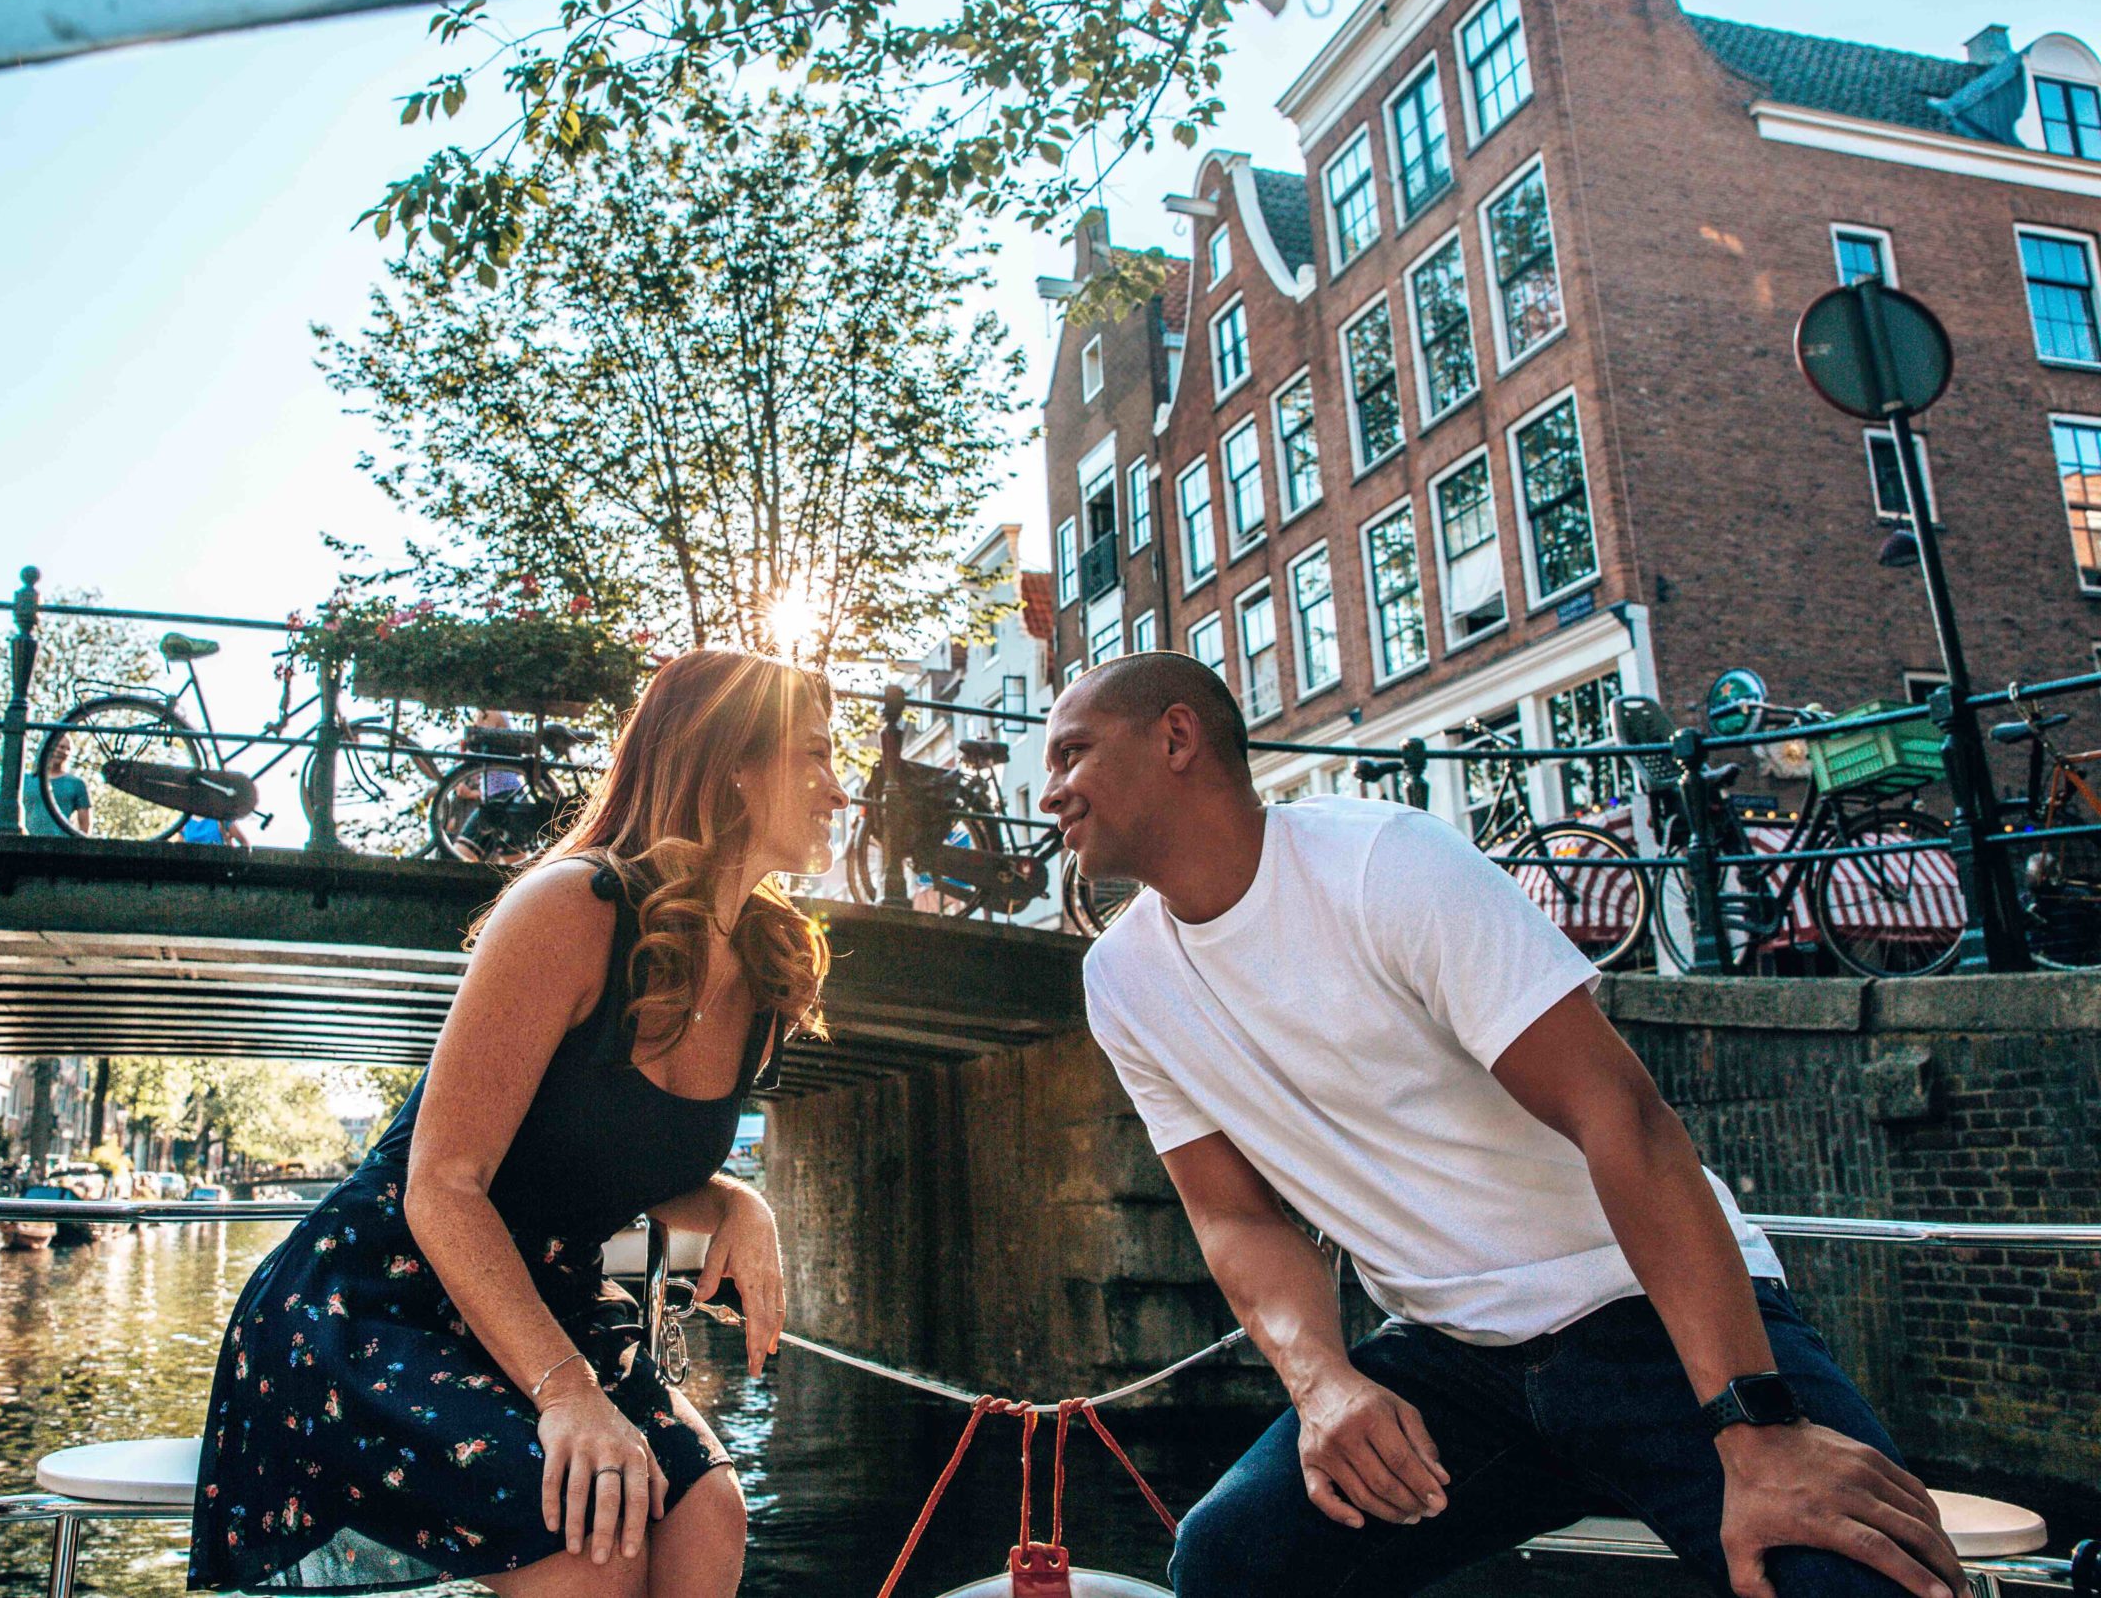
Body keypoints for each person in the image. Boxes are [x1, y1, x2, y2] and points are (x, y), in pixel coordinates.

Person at [1038, 653, 1964, 1598]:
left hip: (1649, 1316)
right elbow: (1237, 1218)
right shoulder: (1122, 982)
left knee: (1857, 1581)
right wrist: (1324, 1382)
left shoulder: (1382, 865)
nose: (1049, 793)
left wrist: (1755, 1424)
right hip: (1453, 1358)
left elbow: (1620, 1116)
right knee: (1234, 1558)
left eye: (1071, 753)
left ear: (1177, 736)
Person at [190, 649, 847, 1597]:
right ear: (732, 766)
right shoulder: (574, 907)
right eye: (815, 757)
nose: (838, 787)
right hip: (380, 1298)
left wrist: (734, 1200)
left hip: (550, 1298)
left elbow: (612, 1150)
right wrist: (568, 1393)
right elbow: (442, 1181)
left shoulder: (769, 970)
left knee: (708, 1515)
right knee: (588, 1542)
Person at [22, 734, 91, 837]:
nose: (61, 751)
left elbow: (85, 825)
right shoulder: (25, 780)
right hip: (27, 845)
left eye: (66, 748)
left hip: (61, 848)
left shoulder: (77, 784)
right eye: (58, 746)